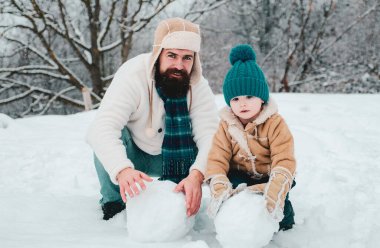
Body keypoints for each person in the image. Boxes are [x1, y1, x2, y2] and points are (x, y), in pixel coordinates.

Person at [86, 17, 218, 220]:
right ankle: (113, 202)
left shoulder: (198, 85)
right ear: (158, 54)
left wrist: (197, 174)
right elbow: (102, 127)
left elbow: (210, 136)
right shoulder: (133, 74)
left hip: (177, 158)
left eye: (187, 58)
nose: (179, 65)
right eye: (172, 55)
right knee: (109, 134)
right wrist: (122, 170)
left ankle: (184, 191)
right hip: (134, 154)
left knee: (220, 145)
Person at [205, 44, 296, 231]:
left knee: (282, 217)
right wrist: (218, 181)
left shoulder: (275, 123)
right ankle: (238, 223)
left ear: (262, 97)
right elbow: (217, 157)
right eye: (235, 99)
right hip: (239, 177)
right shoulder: (226, 125)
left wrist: (277, 185)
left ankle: (281, 216)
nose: (242, 103)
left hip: (269, 176)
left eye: (249, 96)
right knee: (236, 200)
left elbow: (284, 158)